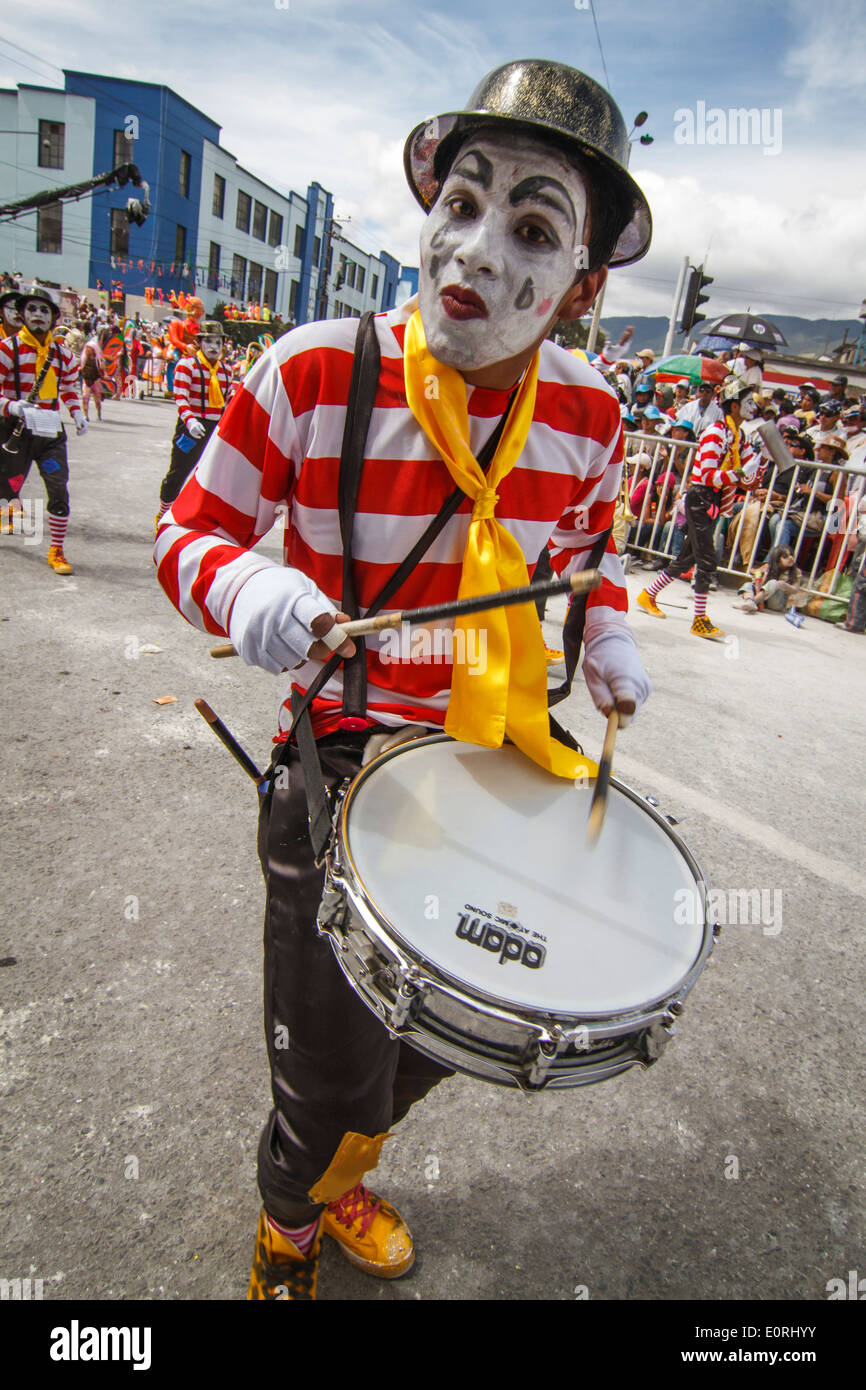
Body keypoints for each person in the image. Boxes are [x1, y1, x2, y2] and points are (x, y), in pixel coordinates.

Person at [155, 58, 653, 1301]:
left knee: (443, 1033)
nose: (473, 251)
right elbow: (186, 533)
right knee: (325, 1069)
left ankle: (336, 1161)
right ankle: (289, 1228)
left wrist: (602, 638)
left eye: (530, 229)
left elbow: (583, 563)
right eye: (462, 202)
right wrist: (251, 590)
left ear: (580, 287)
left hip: (494, 765)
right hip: (338, 760)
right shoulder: (317, 369)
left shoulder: (592, 415)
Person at [636, 375, 761, 638]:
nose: (754, 406)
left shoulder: (739, 436)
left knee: (687, 558)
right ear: (734, 406)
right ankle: (699, 619)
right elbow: (707, 476)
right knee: (706, 559)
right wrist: (740, 472)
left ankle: (648, 594)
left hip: (712, 501)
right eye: (749, 402)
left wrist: (759, 462)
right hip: (700, 499)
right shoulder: (716, 432)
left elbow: (748, 475)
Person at [0, 283, 86, 569]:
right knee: (8, 484)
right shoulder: (6, 349)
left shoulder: (64, 356)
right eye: (32, 309)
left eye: (44, 310)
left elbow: (69, 388)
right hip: (16, 428)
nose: (38, 315)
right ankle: (8, 512)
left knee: (58, 487)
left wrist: (77, 413)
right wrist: (10, 405)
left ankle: (56, 550)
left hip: (49, 430)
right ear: (22, 314)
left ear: (53, 318)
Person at [155, 319, 231, 534]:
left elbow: (230, 401)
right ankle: (163, 515)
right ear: (199, 343)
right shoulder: (186, 366)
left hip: (216, 429)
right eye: (209, 342)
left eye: (218, 342)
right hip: (191, 427)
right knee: (178, 472)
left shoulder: (225, 372)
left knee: (212, 476)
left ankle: (200, 520)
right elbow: (180, 397)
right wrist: (190, 420)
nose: (214, 347)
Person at [734, 545, 808, 622]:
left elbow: (795, 590)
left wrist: (783, 585)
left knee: (774, 583)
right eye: (785, 556)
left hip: (778, 602)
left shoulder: (796, 571)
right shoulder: (770, 568)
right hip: (764, 599)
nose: (790, 558)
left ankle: (752, 603)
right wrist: (760, 580)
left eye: (791, 555)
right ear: (777, 559)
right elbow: (761, 585)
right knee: (749, 584)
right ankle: (749, 601)